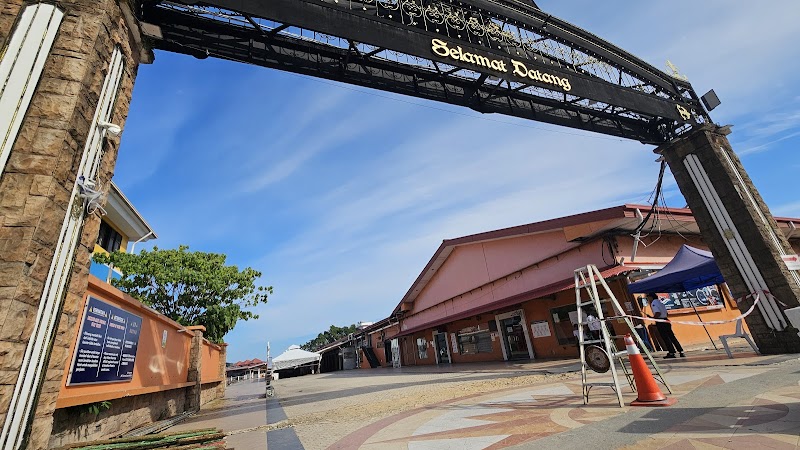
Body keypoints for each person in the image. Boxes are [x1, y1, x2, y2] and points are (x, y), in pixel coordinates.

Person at [646, 293, 685, 359]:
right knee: (672, 336)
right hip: (666, 320)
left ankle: (671, 352)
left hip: (661, 322)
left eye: (648, 298)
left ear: (651, 297)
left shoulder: (654, 303)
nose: (648, 300)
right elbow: (666, 313)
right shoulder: (661, 302)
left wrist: (653, 318)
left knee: (665, 337)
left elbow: (658, 313)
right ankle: (681, 351)